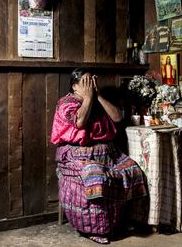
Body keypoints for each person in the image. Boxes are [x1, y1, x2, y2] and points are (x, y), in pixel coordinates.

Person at [50, 68, 147, 244]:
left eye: (91, 81)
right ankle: (94, 228)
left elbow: (117, 118)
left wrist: (98, 95)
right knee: (96, 176)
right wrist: (88, 98)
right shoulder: (66, 103)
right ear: (74, 86)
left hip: (107, 154)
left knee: (132, 169)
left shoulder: (98, 101)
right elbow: (80, 122)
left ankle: (120, 221)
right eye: (85, 83)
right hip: (76, 156)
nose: (89, 86)